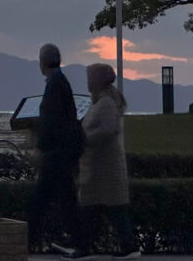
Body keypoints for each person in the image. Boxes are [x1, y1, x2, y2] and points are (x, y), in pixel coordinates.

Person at [27, 43, 88, 258]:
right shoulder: (60, 81)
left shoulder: (55, 84)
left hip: (57, 153)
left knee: (43, 199)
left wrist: (40, 147)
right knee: (63, 197)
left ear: (42, 62)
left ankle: (28, 240)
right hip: (63, 152)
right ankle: (78, 241)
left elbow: (51, 120)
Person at [75, 64, 140, 259]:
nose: (87, 82)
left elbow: (108, 129)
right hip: (99, 166)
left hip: (105, 166)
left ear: (97, 81)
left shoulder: (105, 103)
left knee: (107, 208)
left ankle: (90, 247)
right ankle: (87, 246)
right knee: (99, 207)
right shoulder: (102, 102)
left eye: (90, 78)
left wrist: (84, 139)